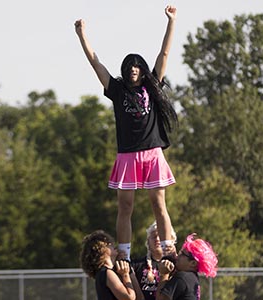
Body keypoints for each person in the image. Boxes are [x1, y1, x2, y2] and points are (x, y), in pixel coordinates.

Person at [74, 5, 178, 261]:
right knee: (125, 207)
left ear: (142, 69)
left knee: (159, 205)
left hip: (152, 153)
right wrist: (82, 36)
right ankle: (124, 254)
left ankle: (167, 250)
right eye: (129, 66)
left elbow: (164, 52)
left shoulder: (152, 86)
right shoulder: (116, 89)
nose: (133, 68)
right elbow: (95, 63)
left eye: (137, 65)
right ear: (124, 70)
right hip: (128, 156)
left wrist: (171, 22)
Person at [79, 230, 144, 300]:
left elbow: (139, 297)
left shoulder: (106, 272)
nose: (112, 244)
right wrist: (125, 275)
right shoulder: (107, 272)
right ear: (100, 251)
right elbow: (128, 298)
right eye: (107, 244)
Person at [156, 234, 218, 300]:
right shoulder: (192, 278)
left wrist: (164, 274)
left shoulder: (181, 277)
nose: (178, 256)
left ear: (193, 263)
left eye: (182, 254)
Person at [131, 222, 177, 300]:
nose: (157, 239)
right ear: (148, 241)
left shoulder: (177, 266)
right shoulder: (136, 264)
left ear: (172, 240)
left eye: (161, 236)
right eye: (154, 236)